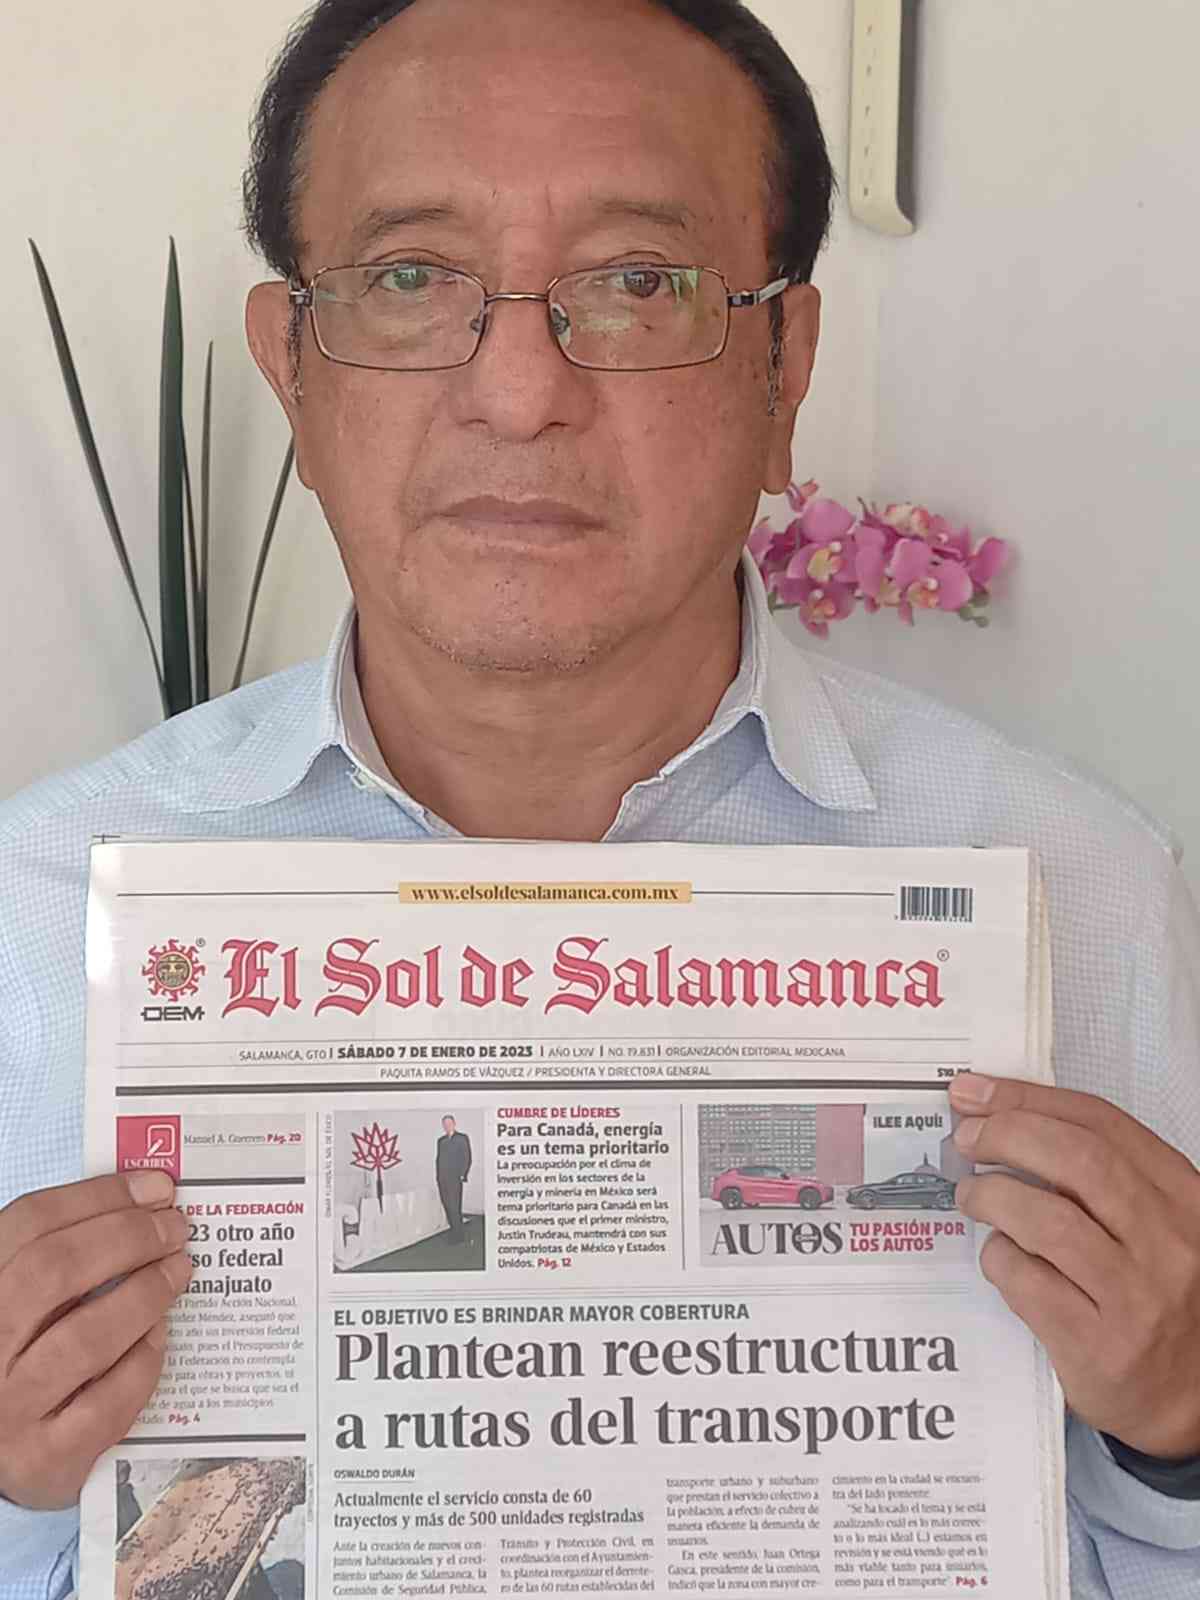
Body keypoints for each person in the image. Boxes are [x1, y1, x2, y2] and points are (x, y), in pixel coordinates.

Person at [0, 1, 1197, 1595]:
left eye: (639, 283)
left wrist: (1178, 1427)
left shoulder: (1074, 884)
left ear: (785, 368)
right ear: (291, 367)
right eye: (411, 279)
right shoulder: (41, 909)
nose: (519, 392)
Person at [435, 1115, 472, 1243]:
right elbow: (439, 1159)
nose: (447, 1126)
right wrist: (438, 1176)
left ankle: (458, 1235)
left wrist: (462, 1174)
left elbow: (467, 1157)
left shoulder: (462, 1138)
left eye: (449, 1123)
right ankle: (453, 1230)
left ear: (454, 1123)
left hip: (455, 1178)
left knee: (454, 1206)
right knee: (446, 1205)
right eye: (445, 1124)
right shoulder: (441, 1141)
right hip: (442, 1179)